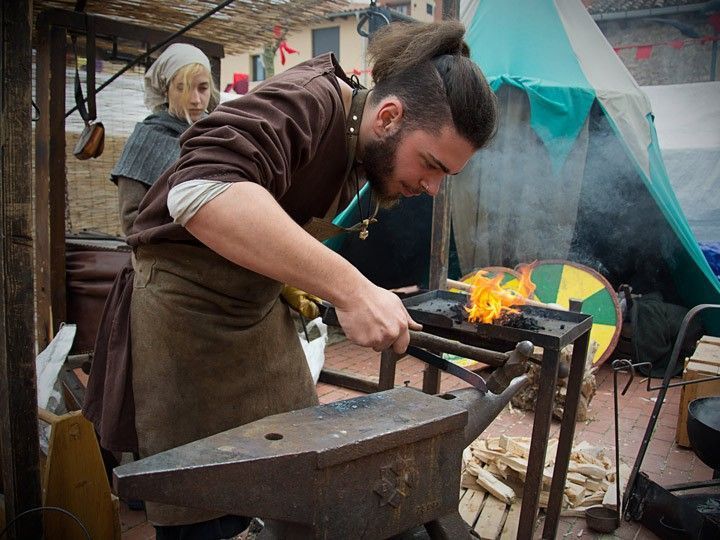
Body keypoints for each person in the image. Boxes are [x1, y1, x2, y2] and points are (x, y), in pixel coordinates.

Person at [84, 20, 497, 539]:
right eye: (432, 165)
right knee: (203, 510)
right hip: (185, 323)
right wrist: (351, 288)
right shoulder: (306, 100)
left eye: (446, 176)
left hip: (256, 317)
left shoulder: (360, 145)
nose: (433, 188)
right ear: (390, 116)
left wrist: (300, 281)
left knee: (308, 477)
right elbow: (198, 191)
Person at [110, 42, 218, 236]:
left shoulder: (216, 134)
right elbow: (131, 223)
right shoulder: (145, 140)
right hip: (166, 255)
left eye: (202, 88)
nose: (195, 99)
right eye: (182, 88)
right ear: (166, 90)